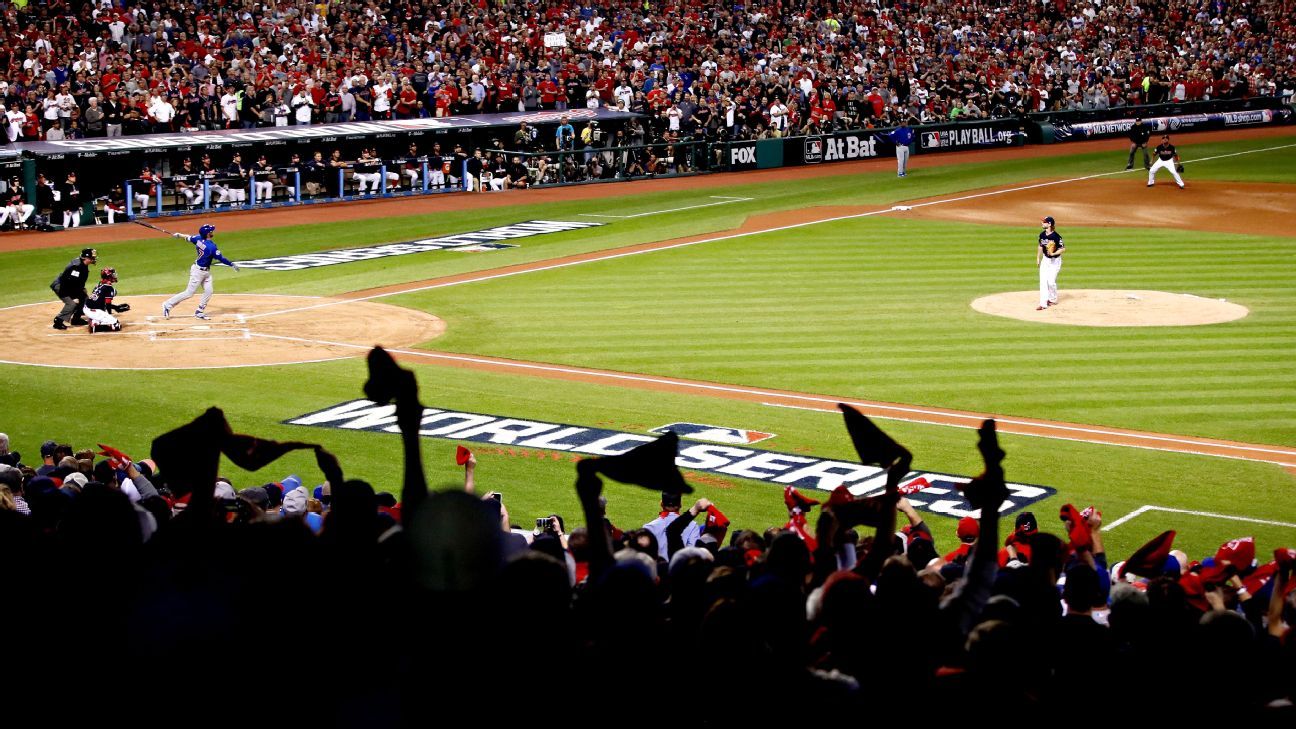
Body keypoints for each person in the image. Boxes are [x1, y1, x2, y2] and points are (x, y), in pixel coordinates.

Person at [162, 224, 240, 320]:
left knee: (209, 291)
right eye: (211, 231)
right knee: (189, 293)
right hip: (198, 272)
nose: (212, 232)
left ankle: (199, 311)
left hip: (205, 272)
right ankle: (167, 305)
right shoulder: (211, 247)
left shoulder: (198, 239)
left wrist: (179, 235)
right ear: (207, 234)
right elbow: (221, 258)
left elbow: (188, 237)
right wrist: (231, 264)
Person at [52, 247, 97, 330]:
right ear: (86, 258)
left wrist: (81, 290)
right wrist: (73, 297)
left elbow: (77, 282)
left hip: (69, 285)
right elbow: (67, 282)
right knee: (72, 303)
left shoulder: (83, 265)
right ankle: (58, 321)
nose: (94, 259)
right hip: (61, 286)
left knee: (84, 298)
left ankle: (76, 319)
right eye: (92, 258)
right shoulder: (76, 267)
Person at [83, 267, 129, 333]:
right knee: (116, 325)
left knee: (103, 309)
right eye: (113, 275)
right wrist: (109, 316)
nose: (115, 276)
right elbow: (108, 304)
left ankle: (94, 319)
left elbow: (101, 301)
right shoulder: (108, 288)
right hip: (94, 311)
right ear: (109, 276)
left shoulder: (100, 283)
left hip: (87, 307)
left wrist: (116, 307)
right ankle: (94, 325)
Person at [1036, 215, 1065, 311]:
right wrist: (1038, 258)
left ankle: (1052, 299)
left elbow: (1063, 249)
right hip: (1045, 260)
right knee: (1043, 281)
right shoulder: (1042, 235)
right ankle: (1043, 303)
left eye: (1044, 222)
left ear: (1049, 224)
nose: (1042, 223)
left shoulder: (1056, 236)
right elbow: (1040, 246)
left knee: (1051, 282)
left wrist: (1054, 253)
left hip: (1055, 261)